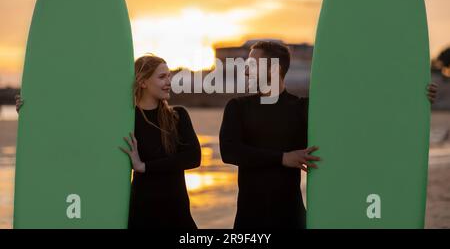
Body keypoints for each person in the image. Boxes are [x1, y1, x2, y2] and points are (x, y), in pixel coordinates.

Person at [219, 40, 438, 229]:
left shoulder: (303, 109)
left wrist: (416, 97)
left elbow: (360, 117)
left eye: (252, 64)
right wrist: (283, 158)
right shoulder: (238, 107)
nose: (246, 70)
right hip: (250, 218)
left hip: (290, 216)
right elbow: (229, 152)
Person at [16, 53, 201, 229]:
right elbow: (76, 131)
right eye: (162, 77)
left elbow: (193, 158)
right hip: (143, 215)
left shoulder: (178, 116)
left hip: (178, 214)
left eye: (169, 76)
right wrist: (31, 112)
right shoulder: (125, 120)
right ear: (143, 82)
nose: (169, 82)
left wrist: (144, 166)